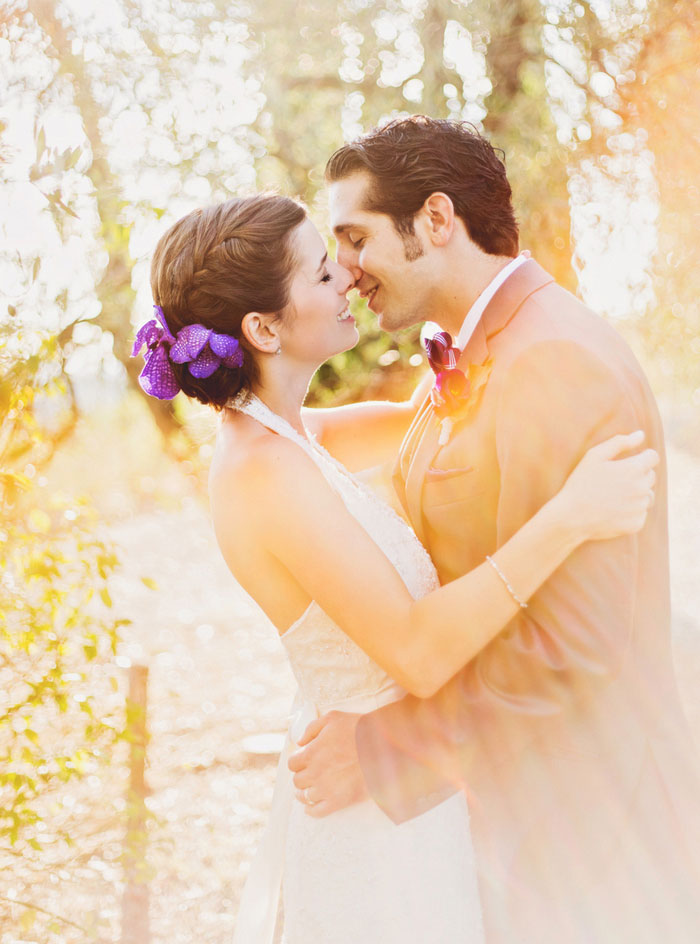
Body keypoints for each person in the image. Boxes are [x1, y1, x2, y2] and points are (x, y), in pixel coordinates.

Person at [132, 190, 657, 944]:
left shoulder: (297, 436)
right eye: (320, 274)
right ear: (262, 328)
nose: (346, 278)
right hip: (373, 830)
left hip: (412, 791)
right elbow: (415, 650)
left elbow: (442, 419)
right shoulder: (260, 472)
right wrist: (572, 517)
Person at [288, 116, 700, 943]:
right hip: (519, 818)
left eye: (357, 238)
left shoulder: (554, 361)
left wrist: (380, 752)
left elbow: (571, 648)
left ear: (436, 220)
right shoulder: (473, 355)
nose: (350, 272)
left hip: (592, 838)